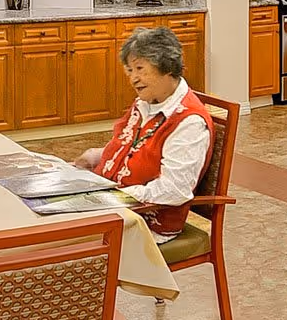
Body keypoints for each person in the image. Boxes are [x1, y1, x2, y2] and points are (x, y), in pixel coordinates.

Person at [75, 27, 214, 243]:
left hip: (144, 222)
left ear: (166, 66)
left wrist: (114, 198)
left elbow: (174, 190)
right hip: (113, 209)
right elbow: (140, 149)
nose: (133, 79)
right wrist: (97, 156)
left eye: (140, 69)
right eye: (130, 71)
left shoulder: (188, 121)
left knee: (47, 243)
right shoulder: (147, 104)